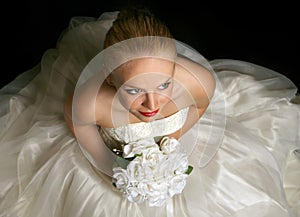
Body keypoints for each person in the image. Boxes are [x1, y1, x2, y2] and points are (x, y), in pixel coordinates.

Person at [0, 6, 299, 217]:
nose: (152, 105)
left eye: (164, 85)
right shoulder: (90, 102)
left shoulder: (198, 82)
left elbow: (202, 105)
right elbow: (81, 127)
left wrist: (177, 136)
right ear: (109, 78)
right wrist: (113, 169)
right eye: (133, 90)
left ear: (174, 70)